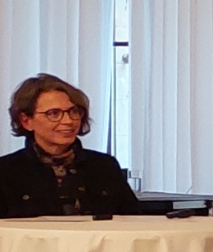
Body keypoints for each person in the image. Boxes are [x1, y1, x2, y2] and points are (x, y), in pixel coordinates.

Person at [2, 74, 143, 218]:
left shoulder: (104, 166)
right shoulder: (6, 172)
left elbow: (133, 222)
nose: (68, 121)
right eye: (54, 113)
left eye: (73, 112)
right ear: (26, 121)